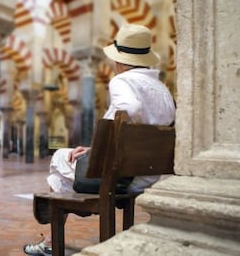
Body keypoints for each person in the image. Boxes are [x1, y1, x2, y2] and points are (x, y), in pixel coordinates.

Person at [23, 24, 176, 256]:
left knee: (59, 158)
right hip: (147, 176)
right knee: (70, 160)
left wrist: (103, 145)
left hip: (116, 177)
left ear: (120, 61)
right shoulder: (162, 89)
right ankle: (56, 231)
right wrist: (96, 147)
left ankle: (52, 239)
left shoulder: (122, 81)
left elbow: (130, 108)